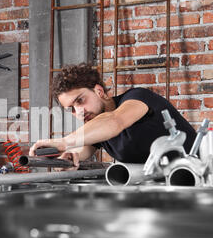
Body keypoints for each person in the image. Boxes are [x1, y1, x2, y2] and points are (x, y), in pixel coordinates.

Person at [29, 63, 197, 169]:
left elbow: (115, 121)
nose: (79, 112)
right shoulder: (97, 126)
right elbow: (84, 146)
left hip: (199, 177)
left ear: (99, 91)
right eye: (71, 109)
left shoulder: (137, 98)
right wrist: (72, 156)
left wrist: (64, 142)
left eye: (80, 100)